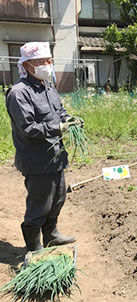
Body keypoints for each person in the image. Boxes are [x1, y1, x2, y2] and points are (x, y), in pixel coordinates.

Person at [5, 42, 81, 252]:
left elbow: (60, 111)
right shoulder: (19, 93)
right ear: (28, 65)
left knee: (58, 198)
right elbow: (27, 127)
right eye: (42, 62)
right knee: (40, 204)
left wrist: (70, 121)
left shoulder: (47, 86)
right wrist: (59, 128)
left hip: (56, 156)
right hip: (36, 160)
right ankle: (34, 245)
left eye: (49, 60)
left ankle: (51, 234)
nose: (48, 65)